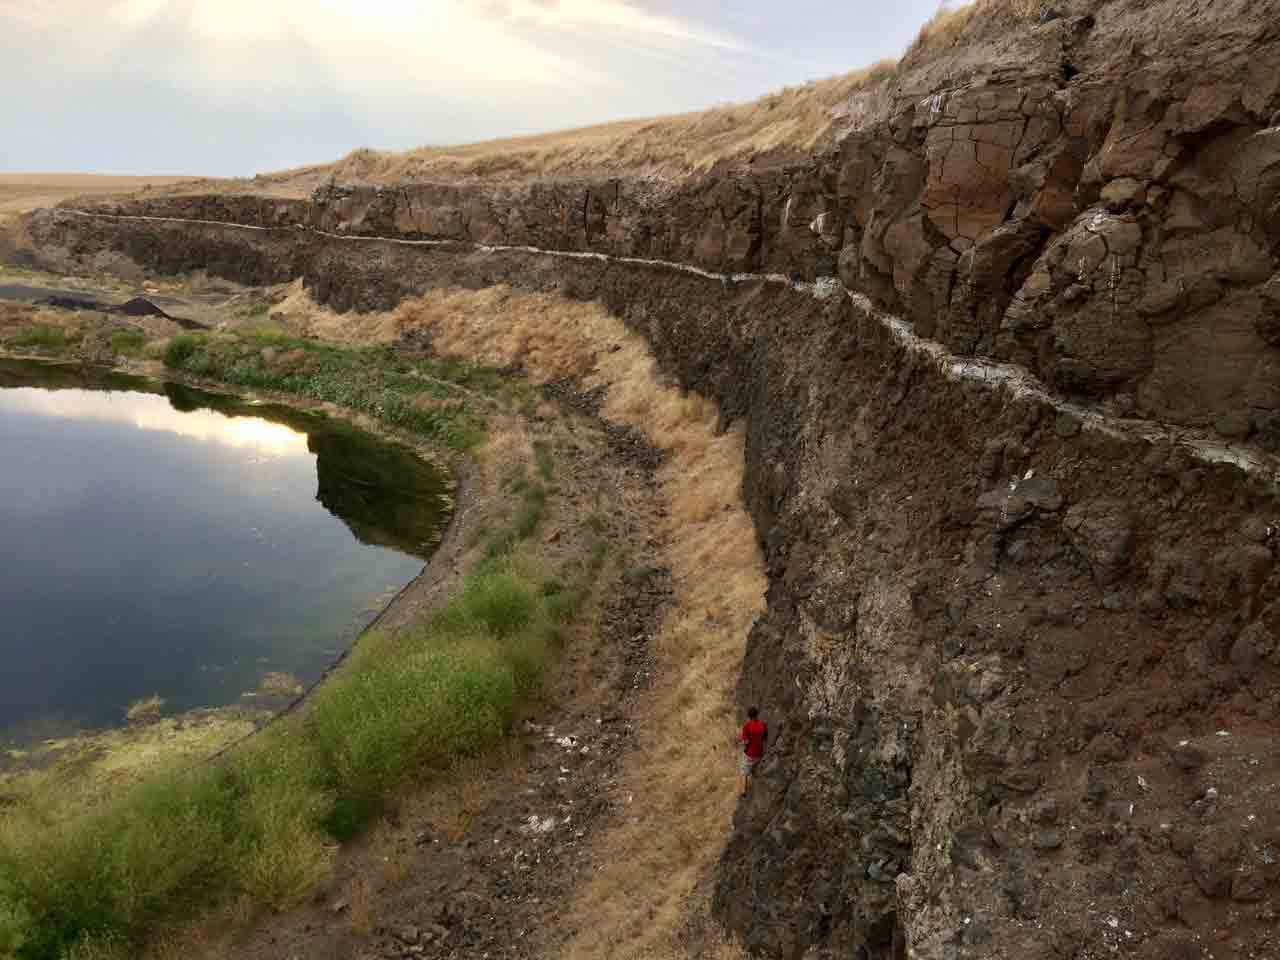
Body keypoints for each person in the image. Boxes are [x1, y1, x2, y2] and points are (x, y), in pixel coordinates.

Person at [737, 706, 767, 798]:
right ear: (757, 714)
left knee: (743, 772)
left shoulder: (747, 727)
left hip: (750, 754)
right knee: (755, 771)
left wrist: (740, 742)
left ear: (748, 716)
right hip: (760, 753)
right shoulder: (763, 725)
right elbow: (765, 739)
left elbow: (746, 742)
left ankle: (743, 791)